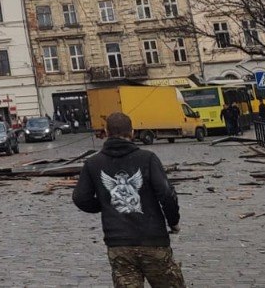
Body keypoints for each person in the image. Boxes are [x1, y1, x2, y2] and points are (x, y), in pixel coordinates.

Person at [73, 111, 184, 288]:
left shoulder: (93, 163)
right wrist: (174, 221)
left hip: (119, 244)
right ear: (131, 132)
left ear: (106, 132)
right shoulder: (147, 159)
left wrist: (106, 203)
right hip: (153, 241)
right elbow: (165, 193)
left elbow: (80, 198)